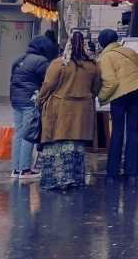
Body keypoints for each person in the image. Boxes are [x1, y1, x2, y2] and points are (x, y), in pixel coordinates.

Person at [36, 32, 101, 191]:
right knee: (76, 146)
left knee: (57, 144)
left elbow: (48, 85)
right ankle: (75, 178)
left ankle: (56, 180)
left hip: (60, 109)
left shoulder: (59, 64)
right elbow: (96, 88)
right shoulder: (93, 66)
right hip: (83, 111)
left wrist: (40, 101)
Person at [97, 28, 138, 178]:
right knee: (132, 130)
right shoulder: (130, 52)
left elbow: (111, 82)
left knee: (118, 130)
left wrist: (101, 97)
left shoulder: (106, 57)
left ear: (102, 43)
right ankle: (131, 168)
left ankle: (113, 169)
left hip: (120, 95)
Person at [9, 34, 58, 181]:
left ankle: (16, 169)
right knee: (29, 134)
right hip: (30, 100)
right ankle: (25, 170)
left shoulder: (19, 60)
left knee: (18, 134)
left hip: (16, 100)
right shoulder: (41, 61)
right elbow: (49, 82)